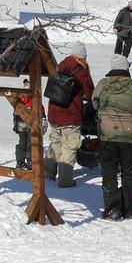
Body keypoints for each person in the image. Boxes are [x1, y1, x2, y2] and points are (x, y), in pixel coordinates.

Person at [93, 53, 132, 221]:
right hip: (129, 135)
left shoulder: (102, 85)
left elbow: (95, 103)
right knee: (128, 171)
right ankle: (129, 208)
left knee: (109, 172)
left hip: (108, 135)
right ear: (126, 68)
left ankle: (112, 209)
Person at [45, 43, 94, 188]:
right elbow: (91, 94)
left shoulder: (59, 66)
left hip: (54, 113)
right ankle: (65, 180)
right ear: (83, 57)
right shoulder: (81, 71)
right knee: (70, 146)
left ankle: (48, 173)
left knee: (55, 143)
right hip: (70, 115)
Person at [13, 94, 44, 171]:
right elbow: (41, 111)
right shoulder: (35, 100)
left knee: (22, 143)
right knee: (31, 144)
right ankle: (30, 162)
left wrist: (15, 125)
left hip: (21, 125)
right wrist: (43, 120)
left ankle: (20, 162)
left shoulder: (19, 101)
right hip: (32, 126)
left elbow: (15, 114)